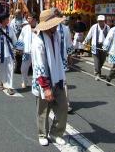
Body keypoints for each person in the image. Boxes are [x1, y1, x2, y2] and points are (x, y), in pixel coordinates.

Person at [31, 9, 68, 146]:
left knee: (63, 107)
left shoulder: (56, 35)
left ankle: (56, 132)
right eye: (54, 24)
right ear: (48, 25)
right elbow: (39, 67)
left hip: (57, 78)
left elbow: (59, 57)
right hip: (44, 81)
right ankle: (42, 133)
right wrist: (46, 87)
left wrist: (62, 75)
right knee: (43, 110)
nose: (56, 26)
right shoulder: (38, 41)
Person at [0, 13, 17, 95]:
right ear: (3, 20)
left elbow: (14, 40)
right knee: (1, 70)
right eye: (7, 19)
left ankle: (10, 87)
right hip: (0, 54)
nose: (8, 20)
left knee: (10, 70)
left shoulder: (10, 29)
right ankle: (1, 82)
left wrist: (18, 49)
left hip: (10, 54)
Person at [83, 15, 110, 80]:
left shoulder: (107, 27)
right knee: (97, 60)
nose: (101, 22)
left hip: (104, 46)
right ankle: (97, 74)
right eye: (99, 21)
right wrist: (85, 41)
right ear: (98, 21)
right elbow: (89, 35)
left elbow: (109, 37)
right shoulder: (94, 27)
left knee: (102, 60)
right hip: (95, 45)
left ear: (104, 21)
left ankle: (97, 70)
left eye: (102, 21)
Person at [16, 12, 38, 88]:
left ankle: (36, 83)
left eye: (29, 18)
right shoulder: (25, 28)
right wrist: (19, 49)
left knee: (36, 68)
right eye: (27, 18)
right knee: (23, 68)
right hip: (27, 52)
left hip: (37, 53)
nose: (28, 19)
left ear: (34, 19)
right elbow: (21, 39)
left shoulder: (40, 28)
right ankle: (24, 81)